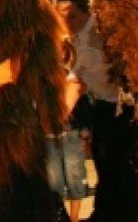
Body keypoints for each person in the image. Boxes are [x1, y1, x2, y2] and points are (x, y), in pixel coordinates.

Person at [56, 0, 138, 222]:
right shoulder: (75, 38)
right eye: (63, 17)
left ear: (87, 11)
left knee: (119, 165)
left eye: (72, 16)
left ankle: (124, 214)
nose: (68, 22)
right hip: (103, 106)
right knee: (103, 161)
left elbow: (77, 79)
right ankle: (106, 212)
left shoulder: (101, 34)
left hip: (122, 106)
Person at [46, 66, 90, 222]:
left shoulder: (72, 79)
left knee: (74, 176)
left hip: (71, 133)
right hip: (49, 135)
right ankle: (60, 215)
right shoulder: (40, 80)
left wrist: (84, 129)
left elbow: (83, 105)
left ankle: (74, 218)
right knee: (54, 180)